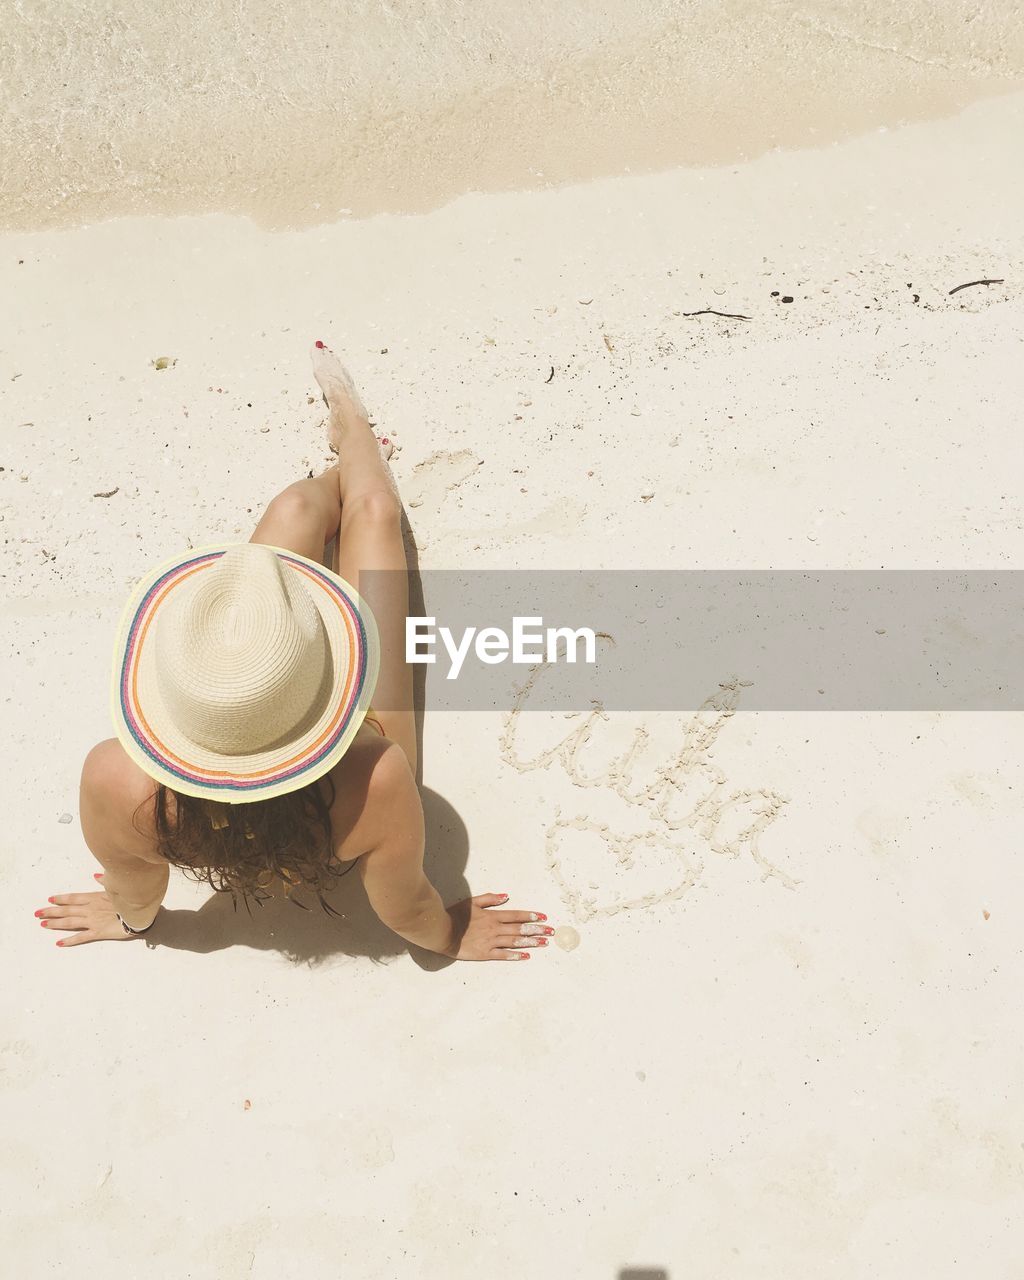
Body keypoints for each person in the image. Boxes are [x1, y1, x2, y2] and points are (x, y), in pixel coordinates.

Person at [35, 342, 551, 961]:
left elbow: (136, 885)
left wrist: (134, 922)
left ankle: (350, 459)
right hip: (343, 772)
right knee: (374, 512)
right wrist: (447, 936)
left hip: (275, 795)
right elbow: (406, 905)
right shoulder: (375, 776)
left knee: (294, 508)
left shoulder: (114, 780)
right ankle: (356, 437)